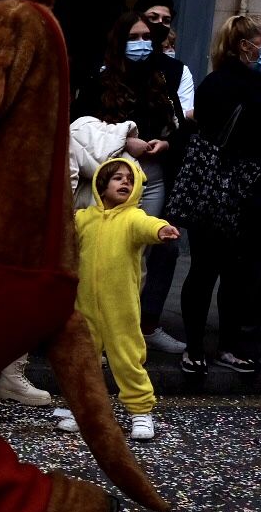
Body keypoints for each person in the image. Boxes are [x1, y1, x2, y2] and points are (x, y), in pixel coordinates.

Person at [176, 13, 261, 375]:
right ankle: (195, 346)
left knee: (239, 275)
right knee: (204, 270)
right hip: (218, 189)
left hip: (255, 193)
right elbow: (228, 131)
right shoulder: (220, 82)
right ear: (245, 46)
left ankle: (228, 345)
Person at [69, 10, 188, 357]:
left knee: (140, 254)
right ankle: (93, 331)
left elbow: (179, 126)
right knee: (104, 252)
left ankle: (130, 328)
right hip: (111, 174)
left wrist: (166, 144)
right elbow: (81, 128)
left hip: (151, 176)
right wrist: (125, 141)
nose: (141, 45)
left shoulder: (160, 79)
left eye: (146, 38)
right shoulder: (100, 81)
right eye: (133, 38)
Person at [55, 160, 180, 441]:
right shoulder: (83, 218)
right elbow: (63, 235)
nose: (125, 183)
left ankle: (141, 412)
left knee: (127, 360)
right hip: (84, 307)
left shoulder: (132, 218)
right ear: (101, 185)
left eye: (130, 180)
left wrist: (161, 230)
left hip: (121, 309)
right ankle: (84, 411)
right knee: (84, 362)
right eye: (117, 178)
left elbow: (148, 224)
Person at [137, 0, 197, 119]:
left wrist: (169, 140)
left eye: (166, 20)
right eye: (153, 18)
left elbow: (181, 119)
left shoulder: (179, 71)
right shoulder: (116, 64)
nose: (159, 23)